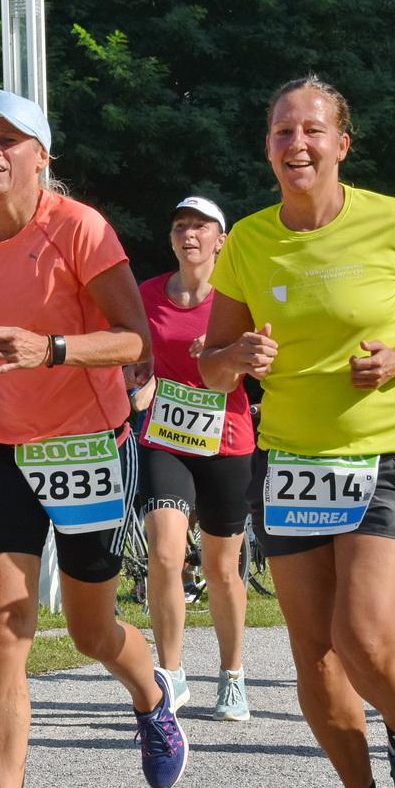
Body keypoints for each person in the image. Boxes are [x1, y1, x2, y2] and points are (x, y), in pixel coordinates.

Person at [200, 75, 395, 788]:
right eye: (282, 132)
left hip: (385, 452)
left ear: (341, 143)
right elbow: (211, 365)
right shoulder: (248, 241)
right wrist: (236, 357)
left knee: (363, 634)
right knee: (312, 653)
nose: (297, 144)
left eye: (313, 130)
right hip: (289, 462)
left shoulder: (390, 221)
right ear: (268, 147)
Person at [0, 90, 186, 788]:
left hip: (84, 442)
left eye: (10, 141)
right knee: (6, 620)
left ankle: (152, 696)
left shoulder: (79, 229)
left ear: (43, 157)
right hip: (1, 445)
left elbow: (132, 342)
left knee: (87, 629)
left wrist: (53, 350)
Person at [129, 195, 254, 720]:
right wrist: (137, 379)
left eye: (202, 227)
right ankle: (172, 674)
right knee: (165, 553)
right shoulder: (149, 293)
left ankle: (232, 676)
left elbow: (267, 362)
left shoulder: (240, 296)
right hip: (166, 437)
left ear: (221, 239)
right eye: (181, 225)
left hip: (227, 440)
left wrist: (227, 357)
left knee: (223, 568)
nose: (190, 234)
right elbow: (135, 356)